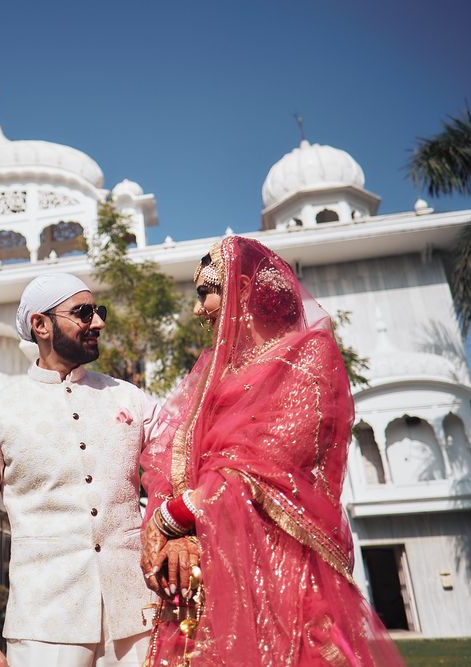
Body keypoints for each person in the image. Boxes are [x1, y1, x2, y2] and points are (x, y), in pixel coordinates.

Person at [139, 237, 403, 666]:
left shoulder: (306, 357)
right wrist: (169, 531)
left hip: (281, 572)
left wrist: (176, 515)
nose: (197, 310)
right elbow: (179, 462)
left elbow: (263, 466)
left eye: (205, 292)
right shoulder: (219, 372)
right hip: (212, 571)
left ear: (242, 291)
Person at [0, 273, 158, 667]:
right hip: (44, 625)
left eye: (99, 311)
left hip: (139, 617)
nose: (99, 322)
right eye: (83, 313)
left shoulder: (130, 398)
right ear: (40, 325)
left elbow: (180, 465)